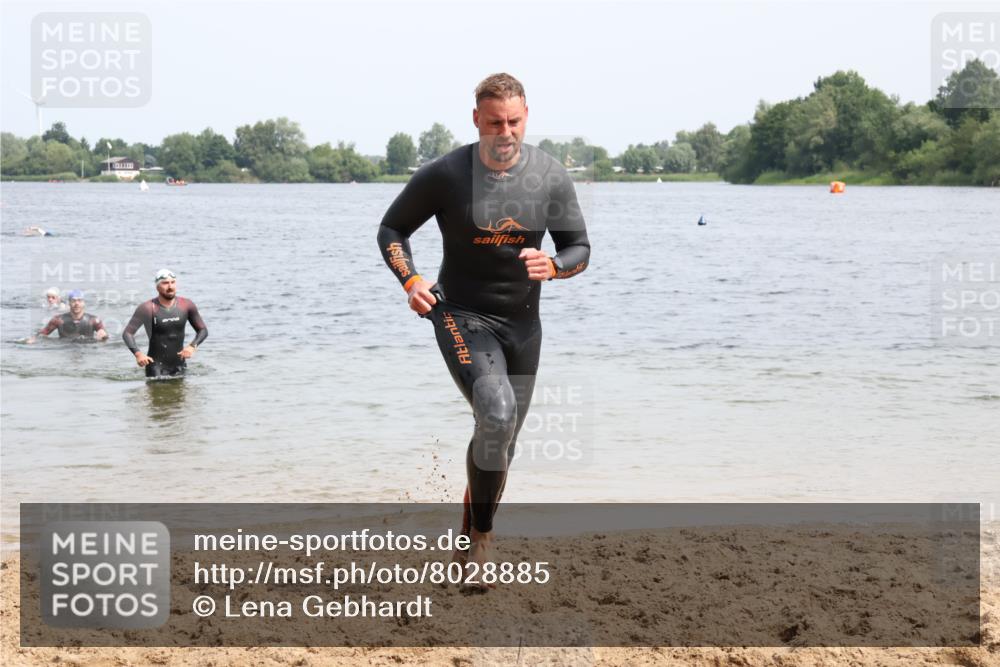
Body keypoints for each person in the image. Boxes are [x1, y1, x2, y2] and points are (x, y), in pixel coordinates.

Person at [376, 73, 590, 589]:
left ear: (526, 116)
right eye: (494, 122)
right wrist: (411, 279)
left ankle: (469, 527)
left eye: (514, 121)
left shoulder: (549, 176)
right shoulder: (447, 174)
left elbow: (579, 248)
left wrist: (555, 267)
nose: (505, 132)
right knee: (496, 414)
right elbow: (392, 229)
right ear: (476, 119)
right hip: (460, 315)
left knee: (502, 439)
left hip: (523, 324)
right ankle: (482, 543)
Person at [122, 269, 208, 379]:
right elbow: (127, 333)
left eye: (173, 282)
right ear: (157, 287)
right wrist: (138, 354)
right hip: (155, 368)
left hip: (180, 366)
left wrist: (192, 346)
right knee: (157, 395)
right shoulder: (147, 308)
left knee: (181, 395)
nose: (170, 286)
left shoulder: (186, 305)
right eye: (165, 283)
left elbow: (203, 330)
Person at [29, 290, 108, 342]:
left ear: (83, 303)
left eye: (79, 301)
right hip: (65, 349)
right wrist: (33, 339)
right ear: (69, 303)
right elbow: (43, 334)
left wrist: (104, 336)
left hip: (87, 349)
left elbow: (105, 336)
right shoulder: (58, 320)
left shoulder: (93, 320)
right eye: (73, 301)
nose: (76, 303)